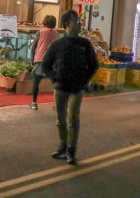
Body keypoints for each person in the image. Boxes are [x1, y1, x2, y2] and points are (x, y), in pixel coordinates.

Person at [40, 10, 98, 165]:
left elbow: (94, 65)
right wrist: (55, 78)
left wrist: (85, 80)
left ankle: (71, 151)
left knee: (73, 118)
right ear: (66, 24)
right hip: (60, 87)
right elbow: (45, 65)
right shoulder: (57, 45)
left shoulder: (85, 44)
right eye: (75, 21)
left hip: (77, 88)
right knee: (60, 119)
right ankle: (63, 146)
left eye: (79, 21)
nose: (78, 24)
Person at [28, 15, 60, 110]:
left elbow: (33, 47)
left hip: (40, 59)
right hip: (52, 61)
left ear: (44, 22)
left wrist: (32, 60)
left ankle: (34, 103)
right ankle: (58, 105)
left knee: (36, 82)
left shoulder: (40, 33)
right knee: (55, 83)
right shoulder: (57, 34)